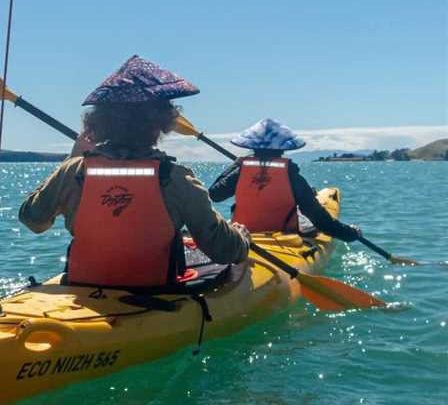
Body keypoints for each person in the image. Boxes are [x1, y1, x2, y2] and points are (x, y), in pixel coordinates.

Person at [18, 56, 251, 290]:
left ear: (99, 121)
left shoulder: (73, 170)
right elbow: (224, 251)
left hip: (83, 290)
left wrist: (71, 158)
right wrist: (241, 236)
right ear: (161, 122)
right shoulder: (177, 179)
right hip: (153, 296)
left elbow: (33, 220)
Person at [208, 118, 360, 241]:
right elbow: (319, 219)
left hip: (245, 230)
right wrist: (349, 233)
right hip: (283, 232)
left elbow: (214, 195)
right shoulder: (291, 175)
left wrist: (236, 165)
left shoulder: (240, 171)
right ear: (283, 149)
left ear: (252, 147)